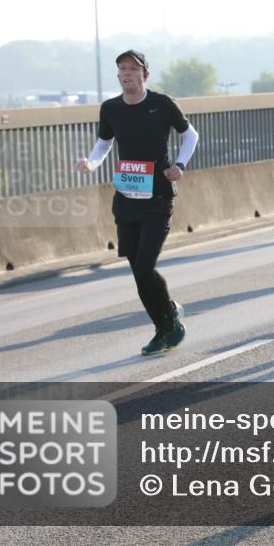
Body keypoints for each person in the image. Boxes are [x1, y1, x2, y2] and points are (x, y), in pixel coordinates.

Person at [74, 50, 199, 355]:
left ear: (145, 74)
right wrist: (91, 164)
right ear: (118, 76)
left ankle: (168, 319)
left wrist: (179, 166)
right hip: (127, 199)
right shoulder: (111, 108)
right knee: (137, 271)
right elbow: (104, 144)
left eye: (133, 68)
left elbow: (190, 135)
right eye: (122, 69)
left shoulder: (162, 104)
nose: (127, 73)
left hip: (158, 197)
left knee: (145, 266)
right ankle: (164, 325)